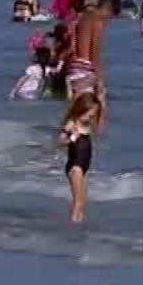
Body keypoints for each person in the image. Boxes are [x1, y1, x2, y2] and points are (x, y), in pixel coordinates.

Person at [60, 92, 101, 225]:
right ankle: (73, 228)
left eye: (93, 114)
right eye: (90, 113)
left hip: (83, 167)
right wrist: (72, 138)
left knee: (82, 202)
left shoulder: (87, 125)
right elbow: (61, 142)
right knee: (77, 202)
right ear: (82, 109)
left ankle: (78, 227)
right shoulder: (72, 123)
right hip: (75, 167)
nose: (91, 116)